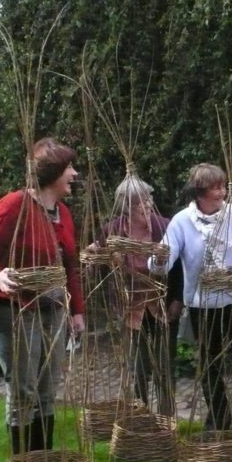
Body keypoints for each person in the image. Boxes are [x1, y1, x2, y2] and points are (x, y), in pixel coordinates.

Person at [0, 137, 86, 454]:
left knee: (47, 390)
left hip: (54, 310)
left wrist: (77, 312)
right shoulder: (13, 206)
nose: (74, 174)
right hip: (14, 310)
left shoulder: (63, 213)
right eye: (69, 168)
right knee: (24, 390)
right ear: (53, 172)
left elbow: (70, 268)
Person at [149, 163, 232, 435]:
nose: (222, 192)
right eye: (215, 188)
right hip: (202, 306)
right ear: (200, 192)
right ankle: (220, 420)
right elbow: (163, 262)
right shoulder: (182, 221)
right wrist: (159, 259)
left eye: (223, 186)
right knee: (209, 364)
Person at [94, 174, 183, 415]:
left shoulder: (164, 227)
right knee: (139, 366)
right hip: (131, 308)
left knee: (165, 364)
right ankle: (139, 416)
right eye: (140, 202)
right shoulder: (112, 231)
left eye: (148, 199)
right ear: (127, 207)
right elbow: (101, 267)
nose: (147, 204)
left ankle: (166, 417)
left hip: (162, 305)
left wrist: (177, 299)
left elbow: (178, 267)